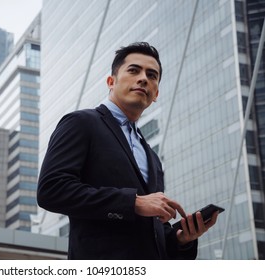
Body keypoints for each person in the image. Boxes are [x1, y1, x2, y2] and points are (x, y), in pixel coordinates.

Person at [37, 42, 218, 259]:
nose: (143, 78)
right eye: (134, 70)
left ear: (156, 93)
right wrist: (133, 202)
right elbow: (51, 190)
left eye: (152, 75)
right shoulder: (81, 122)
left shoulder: (151, 156)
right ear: (110, 82)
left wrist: (181, 239)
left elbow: (152, 231)